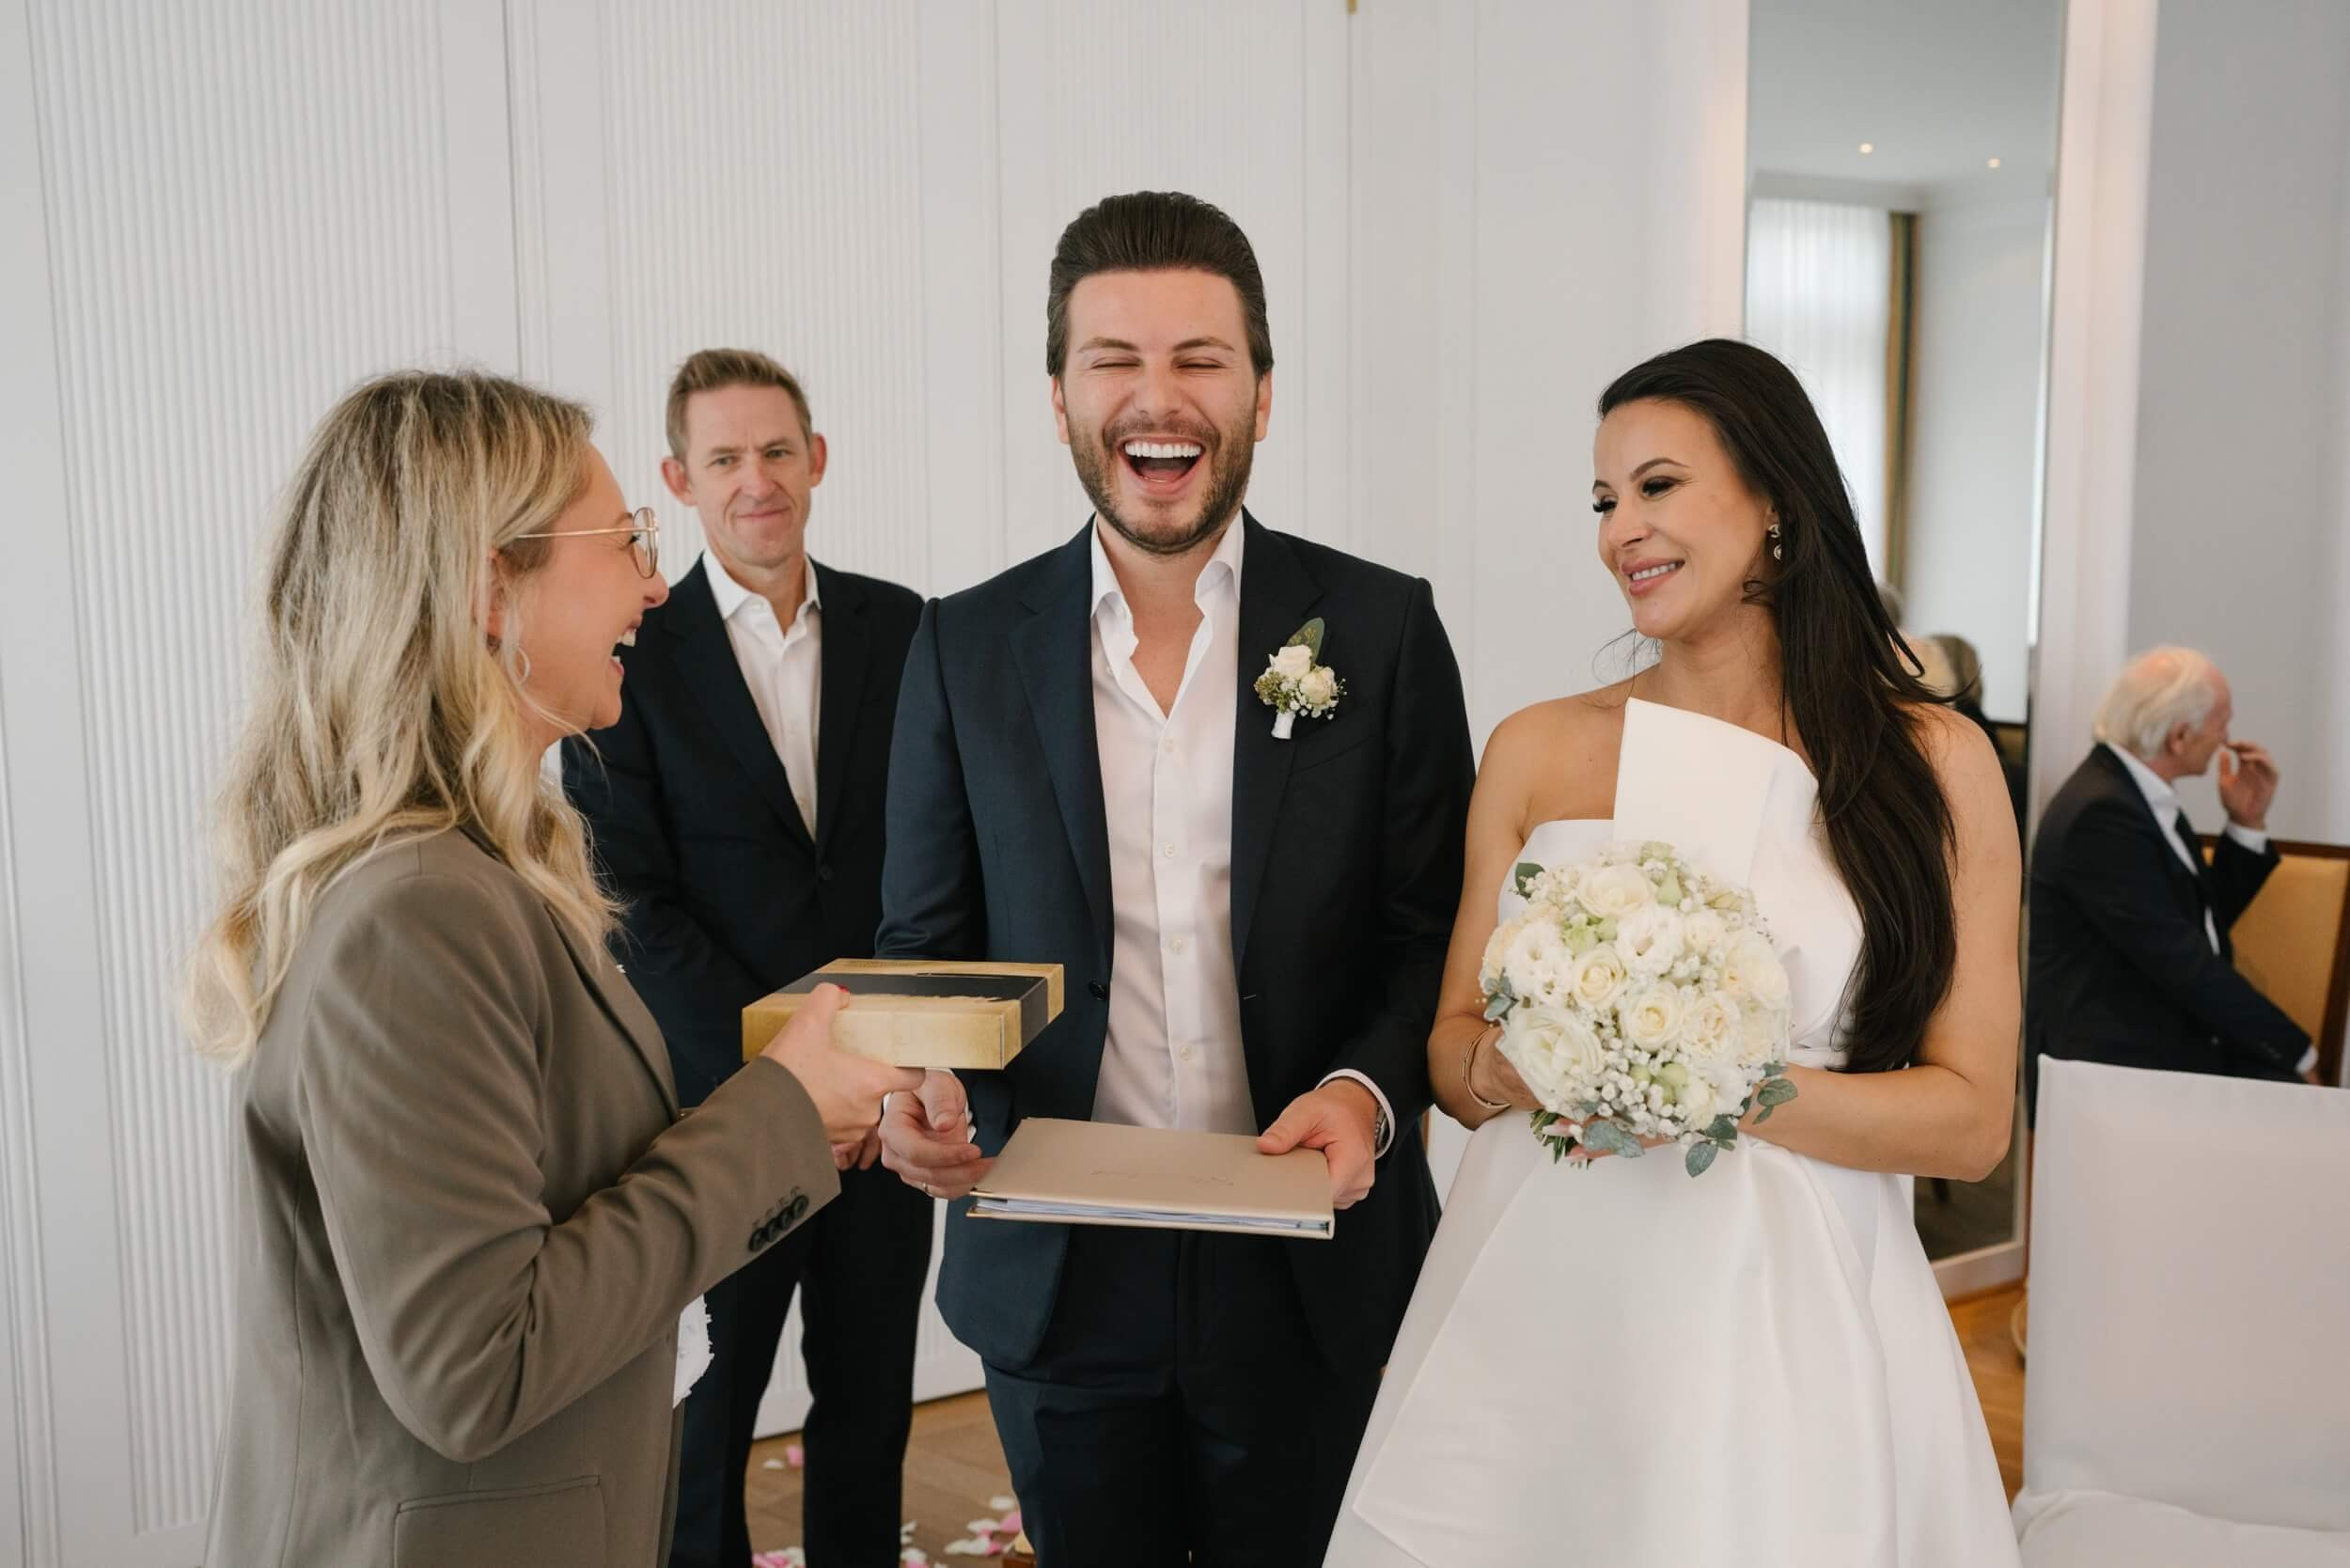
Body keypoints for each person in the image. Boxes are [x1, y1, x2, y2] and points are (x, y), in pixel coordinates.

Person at [190, 370, 919, 1568]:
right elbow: (475, 1366)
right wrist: (782, 1107)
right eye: (626, 538)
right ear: (491, 585)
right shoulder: (414, 916)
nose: (651, 579)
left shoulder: (478, 874)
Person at [1326, 339, 2023, 1565]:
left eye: (1656, 486)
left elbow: (1970, 1122)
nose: (1619, 530)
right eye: (1603, 499)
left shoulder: (1935, 762)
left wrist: (1712, 1086)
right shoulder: (1538, 748)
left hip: (1789, 1308)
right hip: (1544, 1295)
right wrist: (1519, 1071)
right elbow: (1450, 1052)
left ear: (1777, 507)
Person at [871, 190, 1475, 1565]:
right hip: (1056, 1265)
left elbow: (1429, 928)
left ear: (1264, 390)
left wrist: (1365, 1093)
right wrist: (924, 1098)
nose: (1162, 398)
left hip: (1310, 1251)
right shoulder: (963, 647)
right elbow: (927, 948)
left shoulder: (1380, 629)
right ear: (1058, 395)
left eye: (1202, 359)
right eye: (1115, 361)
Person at [563, 348, 932, 1568]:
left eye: (777, 450)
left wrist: (884, 1068)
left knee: (872, 1398)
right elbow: (632, 904)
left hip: (885, 1101)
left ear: (816, 460)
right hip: (723, 1109)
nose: (756, 480)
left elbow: (941, 858)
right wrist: (783, 1078)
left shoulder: (910, 629)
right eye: (724, 458)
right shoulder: (629, 654)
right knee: (711, 1408)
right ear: (678, 478)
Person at [2025, 647, 2314, 1116]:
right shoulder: (2103, 814)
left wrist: (2246, 824)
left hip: (2155, 1039)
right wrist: (2300, 1050)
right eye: (2222, 723)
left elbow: (2196, 920)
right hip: (2114, 1068)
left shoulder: (2126, 793)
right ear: (2180, 737)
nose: (2227, 738)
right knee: (2296, 1098)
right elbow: (2184, 961)